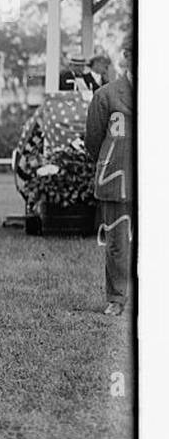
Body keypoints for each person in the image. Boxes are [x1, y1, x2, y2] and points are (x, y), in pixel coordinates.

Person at [84, 41, 133, 317]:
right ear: (126, 57)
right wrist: (112, 160)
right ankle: (116, 298)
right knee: (117, 241)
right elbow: (93, 140)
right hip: (116, 177)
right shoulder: (106, 95)